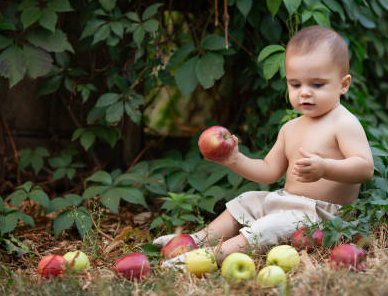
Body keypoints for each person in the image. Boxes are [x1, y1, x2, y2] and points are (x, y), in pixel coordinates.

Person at [154, 25, 374, 268]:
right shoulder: (290, 128)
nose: (305, 93)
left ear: (344, 84)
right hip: (285, 200)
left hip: (321, 216)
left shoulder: (343, 123)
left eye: (317, 85)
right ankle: (197, 240)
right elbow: (269, 171)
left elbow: (364, 168)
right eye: (296, 84)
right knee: (247, 199)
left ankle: (211, 256)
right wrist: (235, 160)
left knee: (268, 227)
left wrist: (325, 168)